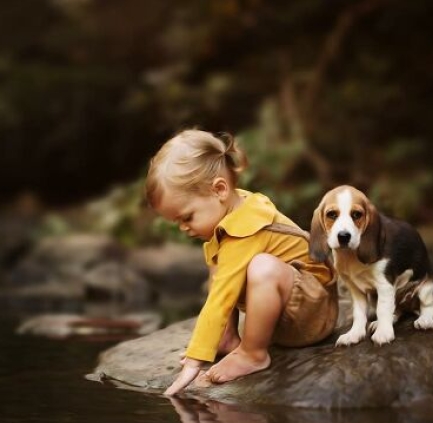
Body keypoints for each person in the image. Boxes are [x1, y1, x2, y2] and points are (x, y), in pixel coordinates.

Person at [145, 129, 338, 396]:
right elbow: (222, 281)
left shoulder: (247, 227)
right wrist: (212, 341)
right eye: (177, 221)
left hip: (313, 314)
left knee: (262, 266)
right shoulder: (232, 211)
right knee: (221, 258)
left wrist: (195, 360)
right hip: (285, 313)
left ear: (220, 190)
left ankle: (253, 354)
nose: (183, 228)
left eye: (187, 217)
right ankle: (227, 338)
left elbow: (221, 298)